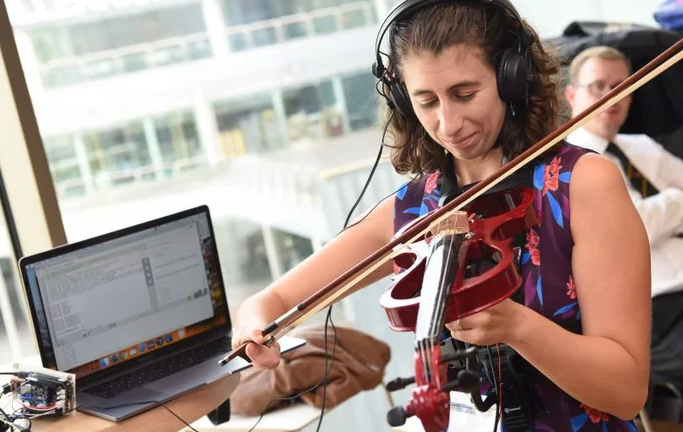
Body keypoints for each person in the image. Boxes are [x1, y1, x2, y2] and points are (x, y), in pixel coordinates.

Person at [232, 2, 651, 430]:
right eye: (426, 101)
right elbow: (271, 302)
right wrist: (254, 329)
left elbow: (626, 391)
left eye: (465, 94)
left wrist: (518, 326)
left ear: (511, 78)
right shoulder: (414, 209)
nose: (448, 124)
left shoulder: (582, 184)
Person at [565, 45, 683, 431]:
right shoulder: (569, 167)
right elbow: (634, 230)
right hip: (670, 319)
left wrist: (657, 215)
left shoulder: (641, 146)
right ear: (571, 95)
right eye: (598, 86)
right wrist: (677, 204)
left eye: (620, 87)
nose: (610, 97)